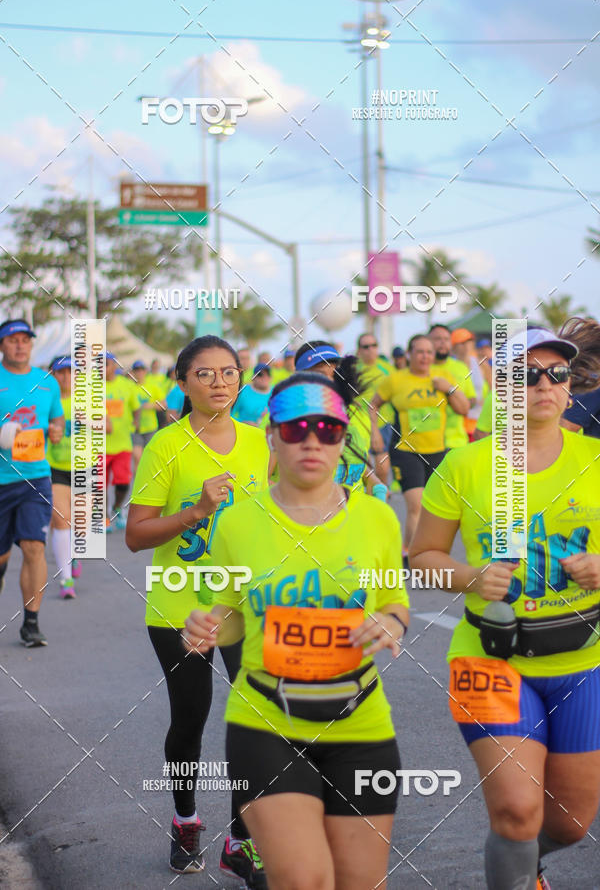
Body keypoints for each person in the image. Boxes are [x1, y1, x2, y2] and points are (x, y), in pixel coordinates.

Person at [182, 369, 410, 890]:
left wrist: (390, 622)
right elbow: (230, 613)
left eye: (327, 430)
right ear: (272, 437)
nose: (312, 441)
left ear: (342, 439)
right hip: (266, 722)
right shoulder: (237, 522)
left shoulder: (377, 519)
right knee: (303, 880)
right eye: (295, 428)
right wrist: (207, 626)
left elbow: (395, 601)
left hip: (361, 724)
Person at [409, 327, 600, 890]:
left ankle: (523, 861)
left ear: (569, 386)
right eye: (526, 375)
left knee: (568, 825)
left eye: (556, 374)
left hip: (582, 661)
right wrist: (471, 576)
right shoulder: (464, 465)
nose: (543, 385)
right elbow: (423, 558)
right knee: (517, 811)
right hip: (490, 658)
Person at [126, 335, 270, 885]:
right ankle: (185, 820)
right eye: (205, 374)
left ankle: (241, 839)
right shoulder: (166, 445)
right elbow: (136, 535)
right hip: (179, 604)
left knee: (258, 720)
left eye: (229, 372)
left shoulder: (259, 442)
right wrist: (198, 510)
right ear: (183, 383)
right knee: (191, 718)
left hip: (245, 604)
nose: (219, 382)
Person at [371, 334, 469, 563]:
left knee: (435, 508)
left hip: (437, 451)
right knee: (416, 505)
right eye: (420, 352)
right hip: (406, 451)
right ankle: (415, 558)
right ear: (409, 354)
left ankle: (409, 549)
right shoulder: (395, 380)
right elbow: (372, 405)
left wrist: (449, 389)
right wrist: (375, 433)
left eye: (429, 352)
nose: (425, 357)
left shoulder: (442, 377)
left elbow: (464, 409)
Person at [0, 319, 64, 646]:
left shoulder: (47, 382)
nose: (20, 345)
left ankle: (31, 623)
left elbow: (57, 419)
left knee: (34, 547)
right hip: (1, 480)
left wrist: (57, 430)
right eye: (13, 340)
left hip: (35, 479)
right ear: (2, 345)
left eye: (25, 340)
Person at [294, 340, 386, 499]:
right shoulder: (284, 419)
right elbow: (264, 478)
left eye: (335, 375)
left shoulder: (357, 414)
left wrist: (374, 481)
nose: (330, 381)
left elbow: (354, 460)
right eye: (320, 374)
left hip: (355, 510)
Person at [47, 355, 82, 599]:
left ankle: (75, 554)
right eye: (61, 372)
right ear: (53, 375)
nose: (66, 377)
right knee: (62, 520)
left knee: (81, 524)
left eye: (71, 372)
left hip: (85, 468)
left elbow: (109, 427)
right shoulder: (46, 400)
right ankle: (66, 579)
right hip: (55, 467)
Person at [104, 352, 141, 531]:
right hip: (98, 446)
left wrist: (136, 421)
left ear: (114, 365)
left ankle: (117, 508)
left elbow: (136, 407)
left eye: (106, 364)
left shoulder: (127, 385)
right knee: (99, 486)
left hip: (123, 444)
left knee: (123, 482)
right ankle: (104, 518)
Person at [355, 333, 395, 483]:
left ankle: (382, 492)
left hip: (383, 421)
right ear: (359, 350)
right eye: (366, 347)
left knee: (382, 467)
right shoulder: (353, 370)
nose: (370, 349)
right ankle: (367, 492)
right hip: (359, 423)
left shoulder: (387, 368)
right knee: (362, 467)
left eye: (374, 345)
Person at [429, 324, 476, 449]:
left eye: (446, 339)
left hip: (456, 442)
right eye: (437, 339)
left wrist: (453, 395)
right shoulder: (422, 369)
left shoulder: (461, 367)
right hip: (427, 444)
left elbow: (471, 399)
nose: (442, 343)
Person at [451, 328, 489, 439]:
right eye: (462, 343)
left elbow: (494, 389)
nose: (466, 346)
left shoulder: (481, 364)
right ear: (453, 347)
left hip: (479, 421)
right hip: (458, 423)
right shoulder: (449, 366)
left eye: (469, 341)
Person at [131, 361, 164, 474]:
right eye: (136, 370)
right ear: (133, 372)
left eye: (141, 370)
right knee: (137, 457)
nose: (139, 372)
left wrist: (151, 405)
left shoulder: (152, 386)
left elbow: (164, 405)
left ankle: (148, 479)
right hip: (135, 428)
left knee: (150, 459)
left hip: (150, 428)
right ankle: (137, 482)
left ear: (145, 371)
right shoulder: (129, 387)